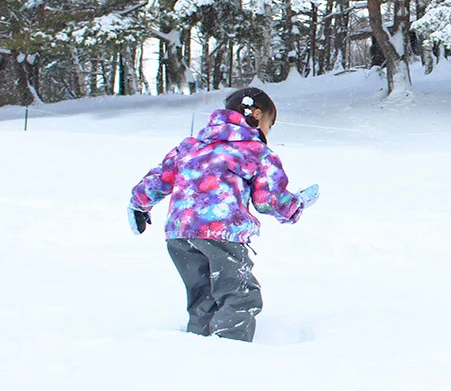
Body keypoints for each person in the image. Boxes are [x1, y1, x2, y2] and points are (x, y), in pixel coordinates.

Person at [127, 87, 319, 342]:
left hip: (180, 235)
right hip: (222, 234)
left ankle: (198, 348)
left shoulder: (190, 147)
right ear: (258, 115)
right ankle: (230, 356)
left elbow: (158, 179)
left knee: (202, 299)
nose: (267, 133)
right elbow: (268, 200)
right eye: (269, 125)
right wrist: (297, 205)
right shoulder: (256, 152)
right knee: (239, 296)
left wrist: (138, 204)